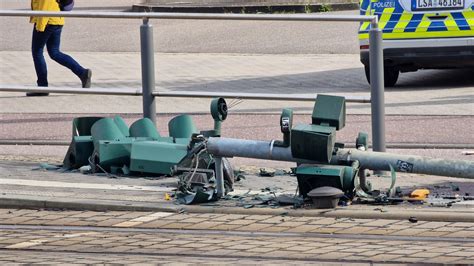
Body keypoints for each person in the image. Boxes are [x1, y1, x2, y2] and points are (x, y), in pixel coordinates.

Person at [29, 0, 91, 96]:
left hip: (46, 21)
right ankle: (82, 73)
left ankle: (42, 86)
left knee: (37, 52)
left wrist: (40, 25)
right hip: (57, 19)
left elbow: (45, 4)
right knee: (55, 52)